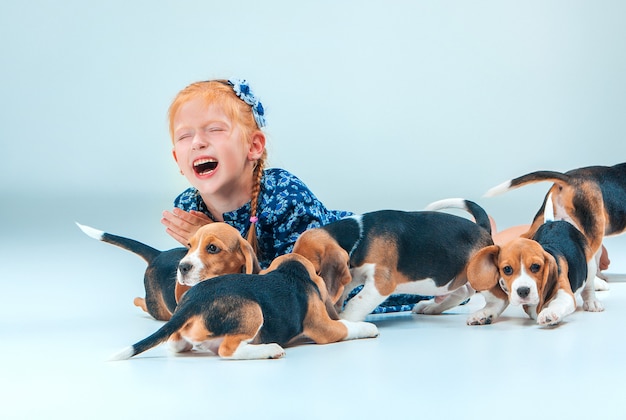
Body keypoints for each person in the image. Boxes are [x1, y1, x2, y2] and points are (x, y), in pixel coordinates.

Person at [160, 78, 426, 313]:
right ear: (177, 160)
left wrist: (219, 236)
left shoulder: (284, 195)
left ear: (253, 146)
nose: (197, 142)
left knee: (427, 267)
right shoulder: (187, 206)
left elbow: (296, 285)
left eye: (214, 129)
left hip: (356, 264)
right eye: (185, 136)